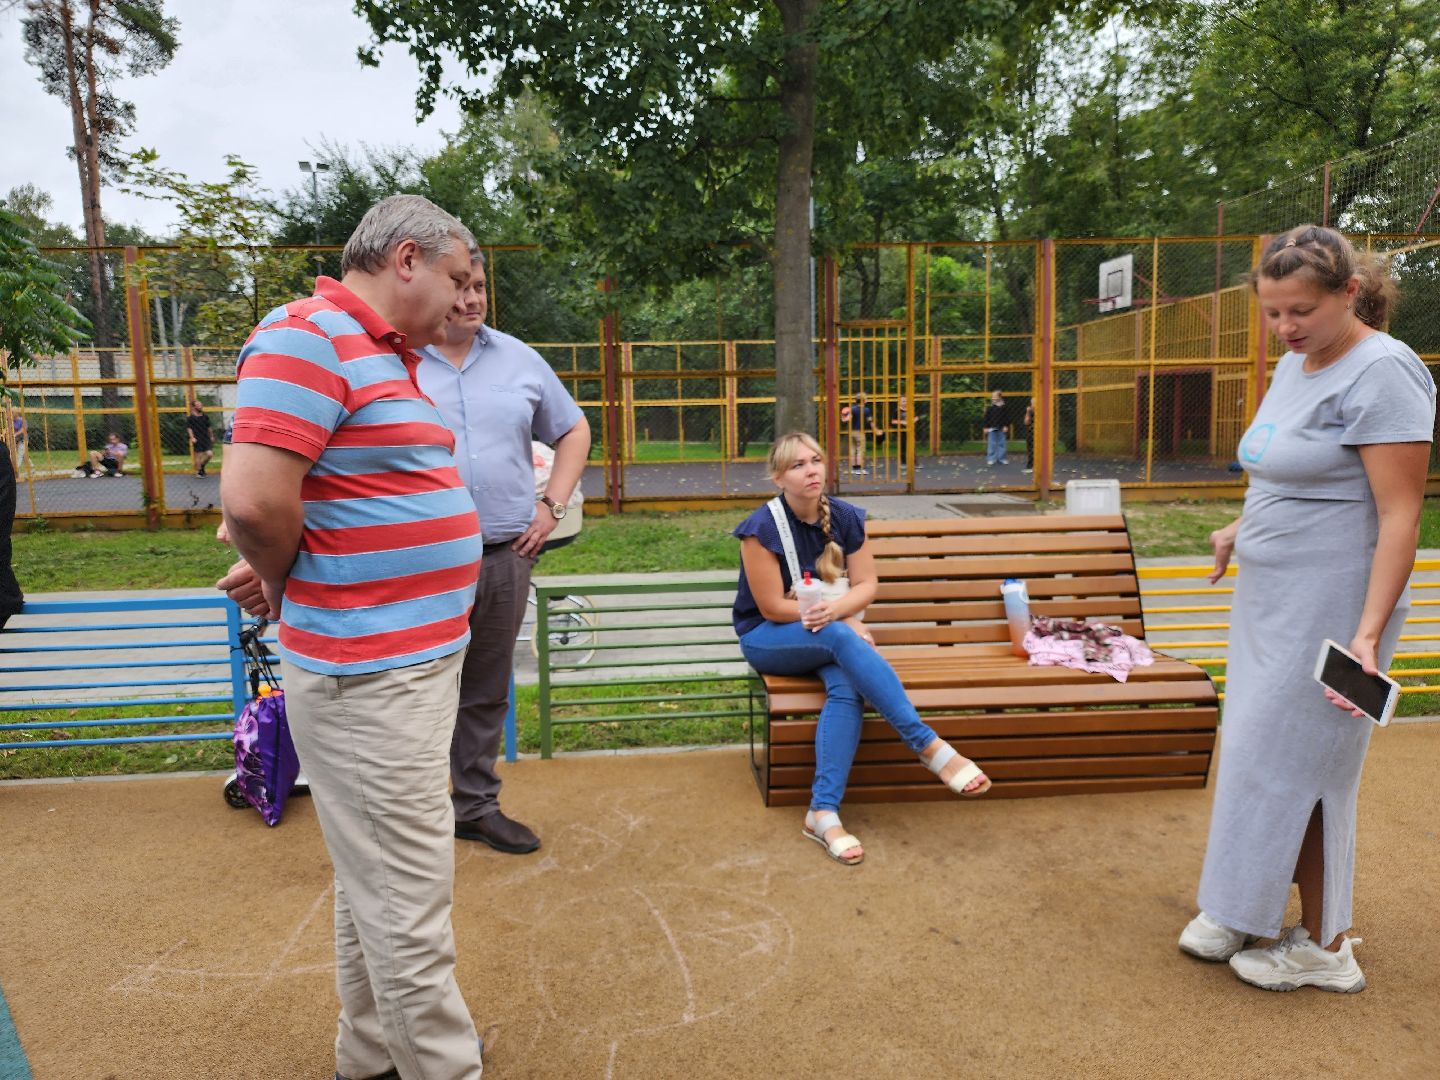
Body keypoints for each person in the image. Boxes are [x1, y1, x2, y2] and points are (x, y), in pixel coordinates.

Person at [218, 195, 487, 1079]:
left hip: (404, 664)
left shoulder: (383, 353)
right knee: (407, 900)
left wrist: (300, 566)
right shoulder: (308, 335)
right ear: (405, 258)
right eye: (456, 279)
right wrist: (293, 579)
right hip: (369, 675)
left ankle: (366, 1059)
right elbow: (256, 501)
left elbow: (337, 492)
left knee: (375, 880)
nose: (463, 300)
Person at [1180, 225, 1435, 994]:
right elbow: (1284, 472)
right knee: (1257, 752)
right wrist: (1239, 527)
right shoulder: (1298, 363)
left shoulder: (1386, 371)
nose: (1286, 328)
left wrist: (1365, 633)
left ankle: (1327, 944)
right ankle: (1244, 905)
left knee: (1310, 766)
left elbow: (1400, 517)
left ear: (1349, 293)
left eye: (1302, 311)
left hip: (1336, 607)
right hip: (1271, 597)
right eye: (1273, 313)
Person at [732, 431, 991, 866]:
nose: (811, 470)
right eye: (797, 465)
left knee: (847, 687)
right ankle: (927, 746)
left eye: (816, 459)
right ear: (778, 478)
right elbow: (773, 607)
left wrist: (841, 615)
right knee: (839, 637)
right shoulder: (760, 529)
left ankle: (823, 812)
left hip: (824, 636)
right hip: (769, 637)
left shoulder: (848, 517)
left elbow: (868, 585)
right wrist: (840, 620)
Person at [418, 253, 591, 856]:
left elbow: (573, 429)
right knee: (414, 688)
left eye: (479, 286)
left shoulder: (519, 357)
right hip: (418, 562)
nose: (470, 299)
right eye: (458, 286)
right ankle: (412, 816)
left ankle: (475, 808)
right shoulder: (394, 358)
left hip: (504, 555)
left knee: (486, 688)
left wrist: (553, 507)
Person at [845, 391, 873, 474]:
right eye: (866, 398)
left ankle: (854, 468)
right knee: (860, 450)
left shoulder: (852, 409)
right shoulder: (866, 410)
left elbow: (847, 419)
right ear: (864, 400)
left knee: (852, 449)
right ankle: (859, 468)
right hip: (860, 432)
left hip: (851, 432)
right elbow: (870, 420)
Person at [186, 399, 214, 477]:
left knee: (210, 454)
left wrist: (211, 436)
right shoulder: (190, 418)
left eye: (201, 405)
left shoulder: (205, 417)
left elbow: (209, 427)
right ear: (194, 407)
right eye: (198, 405)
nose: (200, 406)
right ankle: (199, 472)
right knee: (199, 456)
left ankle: (202, 466)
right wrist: (192, 438)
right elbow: (189, 428)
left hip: (206, 438)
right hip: (197, 439)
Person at [981, 391, 1008, 466]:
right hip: (992, 428)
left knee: (1002, 444)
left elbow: (1007, 418)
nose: (993, 398)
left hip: (1001, 428)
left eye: (995, 396)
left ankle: (1002, 458)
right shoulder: (990, 407)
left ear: (999, 397)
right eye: (992, 396)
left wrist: (1006, 426)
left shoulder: (1004, 407)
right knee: (992, 444)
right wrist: (985, 427)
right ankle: (991, 459)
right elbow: (986, 418)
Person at [1021, 397, 1035, 473]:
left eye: (1034, 402)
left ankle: (1040, 466)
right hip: (1031, 432)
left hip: (1039, 432)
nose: (1033, 404)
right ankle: (1030, 465)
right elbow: (1026, 422)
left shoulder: (1042, 411)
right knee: (1030, 449)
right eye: (1032, 402)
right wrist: (1028, 412)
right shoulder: (1030, 411)